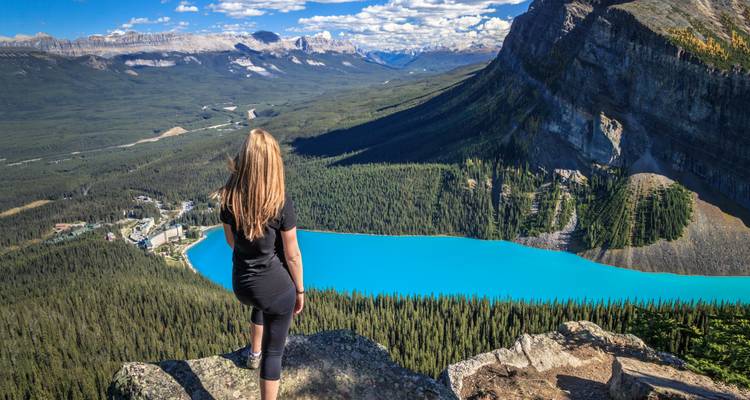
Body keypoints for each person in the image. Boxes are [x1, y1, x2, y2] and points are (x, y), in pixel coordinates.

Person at [219, 128, 305, 400]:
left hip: (241, 284)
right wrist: (300, 291)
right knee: (275, 351)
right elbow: (292, 255)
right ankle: (262, 359)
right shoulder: (280, 201)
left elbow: (232, 242)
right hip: (272, 290)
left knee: (263, 298)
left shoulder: (229, 197)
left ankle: (253, 354)